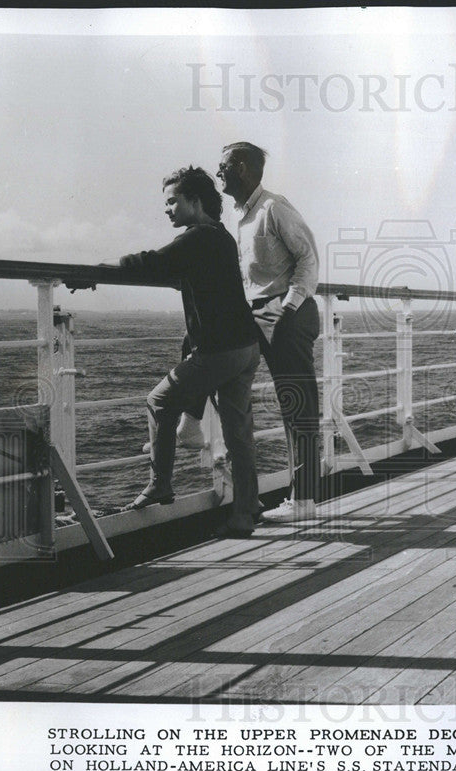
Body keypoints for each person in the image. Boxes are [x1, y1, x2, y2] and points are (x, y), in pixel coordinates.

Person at [115, 166, 261, 537]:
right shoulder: (221, 237)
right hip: (246, 347)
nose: (167, 209)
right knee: (238, 433)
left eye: (172, 201)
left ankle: (161, 484)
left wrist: (104, 271)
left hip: (221, 351)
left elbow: (154, 260)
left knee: (159, 401)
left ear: (195, 202)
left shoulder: (198, 237)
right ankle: (245, 513)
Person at [218, 141, 321, 523]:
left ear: (242, 168)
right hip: (252, 313)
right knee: (228, 386)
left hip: (283, 312)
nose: (218, 173)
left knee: (297, 406)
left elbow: (308, 258)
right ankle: (249, 499)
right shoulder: (239, 217)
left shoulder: (274, 208)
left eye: (223, 165)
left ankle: (305, 500)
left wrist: (289, 308)